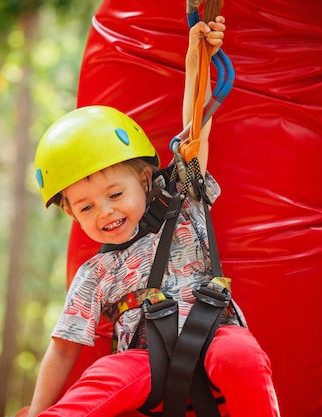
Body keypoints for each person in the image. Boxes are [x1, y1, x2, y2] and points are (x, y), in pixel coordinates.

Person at [28, 17, 280, 417]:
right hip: (144, 361)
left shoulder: (185, 200)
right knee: (97, 384)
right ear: (72, 214)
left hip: (215, 335)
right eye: (87, 206)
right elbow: (63, 348)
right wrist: (39, 407)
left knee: (243, 356)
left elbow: (195, 132)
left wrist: (197, 60)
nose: (105, 211)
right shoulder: (95, 273)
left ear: (146, 180)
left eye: (115, 194)